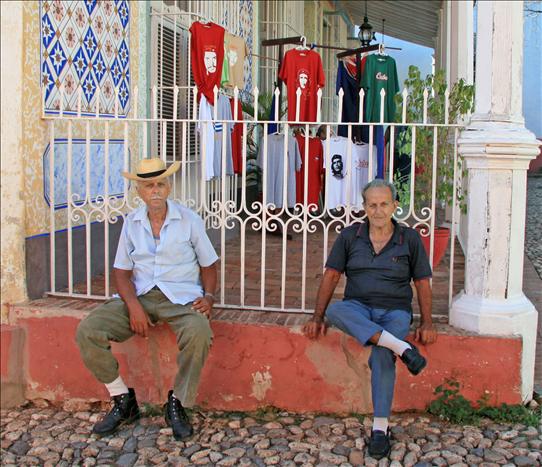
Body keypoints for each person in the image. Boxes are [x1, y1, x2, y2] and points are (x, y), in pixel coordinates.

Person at [76, 158, 218, 441]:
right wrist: (133, 308)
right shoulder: (132, 223)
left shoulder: (189, 220)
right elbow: (121, 273)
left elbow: (209, 265)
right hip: (139, 296)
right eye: (148, 185)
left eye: (160, 184)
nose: (155, 190)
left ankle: (177, 402)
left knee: (200, 332)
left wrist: (209, 297)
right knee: (88, 331)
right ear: (138, 191)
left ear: (169, 187)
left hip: (179, 297)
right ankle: (122, 400)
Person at [303, 179, 437, 460]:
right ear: (364, 207)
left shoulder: (409, 238)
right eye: (372, 205)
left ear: (395, 206)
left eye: (384, 204)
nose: (378, 210)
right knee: (336, 311)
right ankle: (402, 349)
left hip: (395, 311)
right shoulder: (350, 236)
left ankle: (380, 428)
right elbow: (331, 275)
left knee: (380, 354)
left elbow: (422, 281)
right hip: (358, 307)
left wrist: (427, 322)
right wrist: (317, 316)